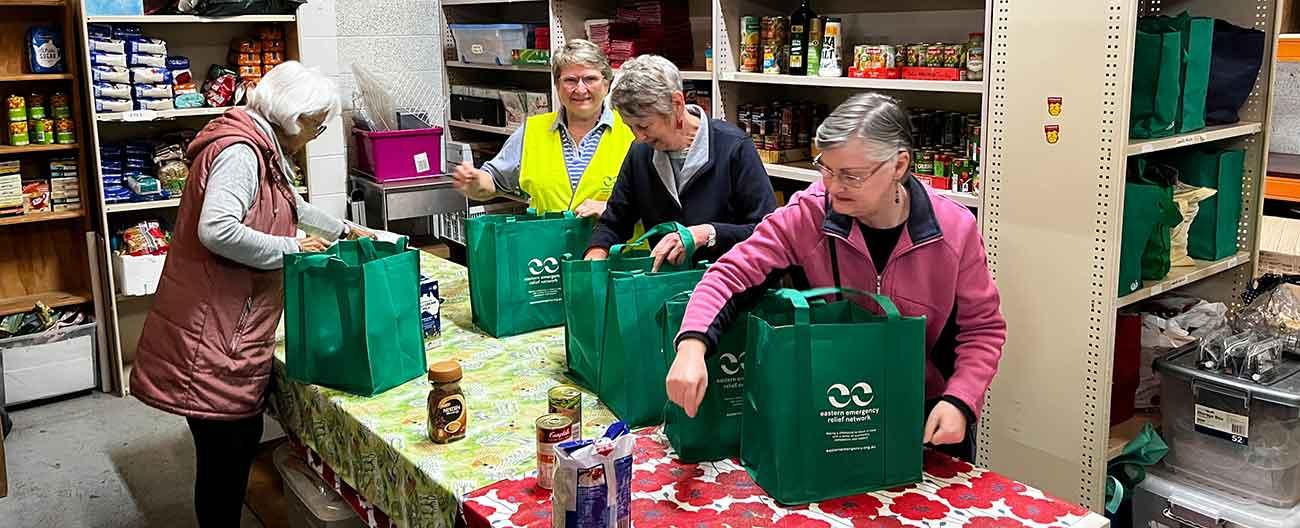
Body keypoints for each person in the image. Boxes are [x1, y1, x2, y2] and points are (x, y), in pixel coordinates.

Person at [665, 93, 1005, 460]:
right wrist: (692, 345)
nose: (834, 187)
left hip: (924, 414)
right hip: (832, 404)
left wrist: (961, 399)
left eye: (851, 175)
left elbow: (982, 330)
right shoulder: (809, 214)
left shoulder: (954, 230)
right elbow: (730, 274)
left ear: (899, 165)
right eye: (826, 169)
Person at [129, 61, 369, 526]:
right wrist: (291, 248)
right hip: (212, 337)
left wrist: (348, 231)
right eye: (316, 127)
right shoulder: (241, 151)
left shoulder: (261, 144)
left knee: (235, 448)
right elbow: (216, 229)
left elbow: (289, 205)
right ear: (294, 117)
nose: (314, 136)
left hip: (225, 329)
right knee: (225, 462)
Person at [584, 55, 776, 268]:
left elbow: (768, 231)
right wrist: (596, 254)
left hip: (729, 286)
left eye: (644, 126)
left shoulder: (733, 147)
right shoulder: (640, 153)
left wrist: (708, 233)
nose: (639, 137)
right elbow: (615, 220)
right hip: (667, 285)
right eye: (631, 127)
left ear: (676, 103)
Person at [451, 39, 634, 217]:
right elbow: (493, 181)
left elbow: (657, 200)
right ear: (557, 85)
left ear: (607, 84)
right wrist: (474, 183)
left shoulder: (632, 130)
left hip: (614, 246)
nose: (580, 89)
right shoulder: (532, 130)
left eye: (590, 79)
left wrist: (612, 208)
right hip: (548, 245)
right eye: (570, 80)